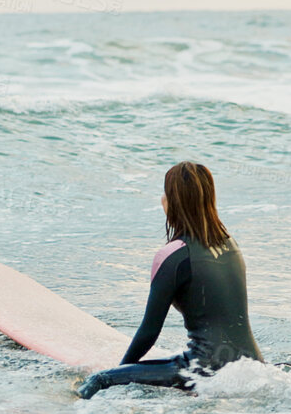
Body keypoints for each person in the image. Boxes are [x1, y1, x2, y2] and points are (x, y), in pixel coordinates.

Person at [78, 161, 264, 399]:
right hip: (252, 365)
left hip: (204, 370)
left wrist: (117, 373)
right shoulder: (230, 245)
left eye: (165, 192)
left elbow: (149, 331)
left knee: (98, 381)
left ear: (173, 202)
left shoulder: (174, 255)